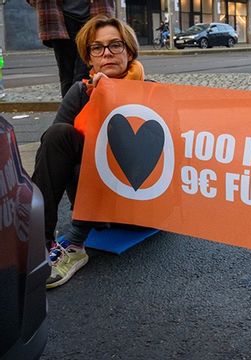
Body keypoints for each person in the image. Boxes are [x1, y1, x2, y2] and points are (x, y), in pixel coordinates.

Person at [31, 15, 144, 289]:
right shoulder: (80, 91)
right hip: (92, 206)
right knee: (58, 134)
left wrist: (111, 99)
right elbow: (54, 148)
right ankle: (37, 239)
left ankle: (75, 243)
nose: (106, 53)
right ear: (89, 59)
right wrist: (95, 100)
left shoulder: (151, 92)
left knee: (103, 148)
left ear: (129, 52)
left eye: (115, 45)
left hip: (136, 206)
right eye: (97, 48)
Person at [27, 0, 115, 98]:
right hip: (58, 18)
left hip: (96, 15)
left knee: (86, 71)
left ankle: (81, 109)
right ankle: (71, 110)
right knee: (67, 75)